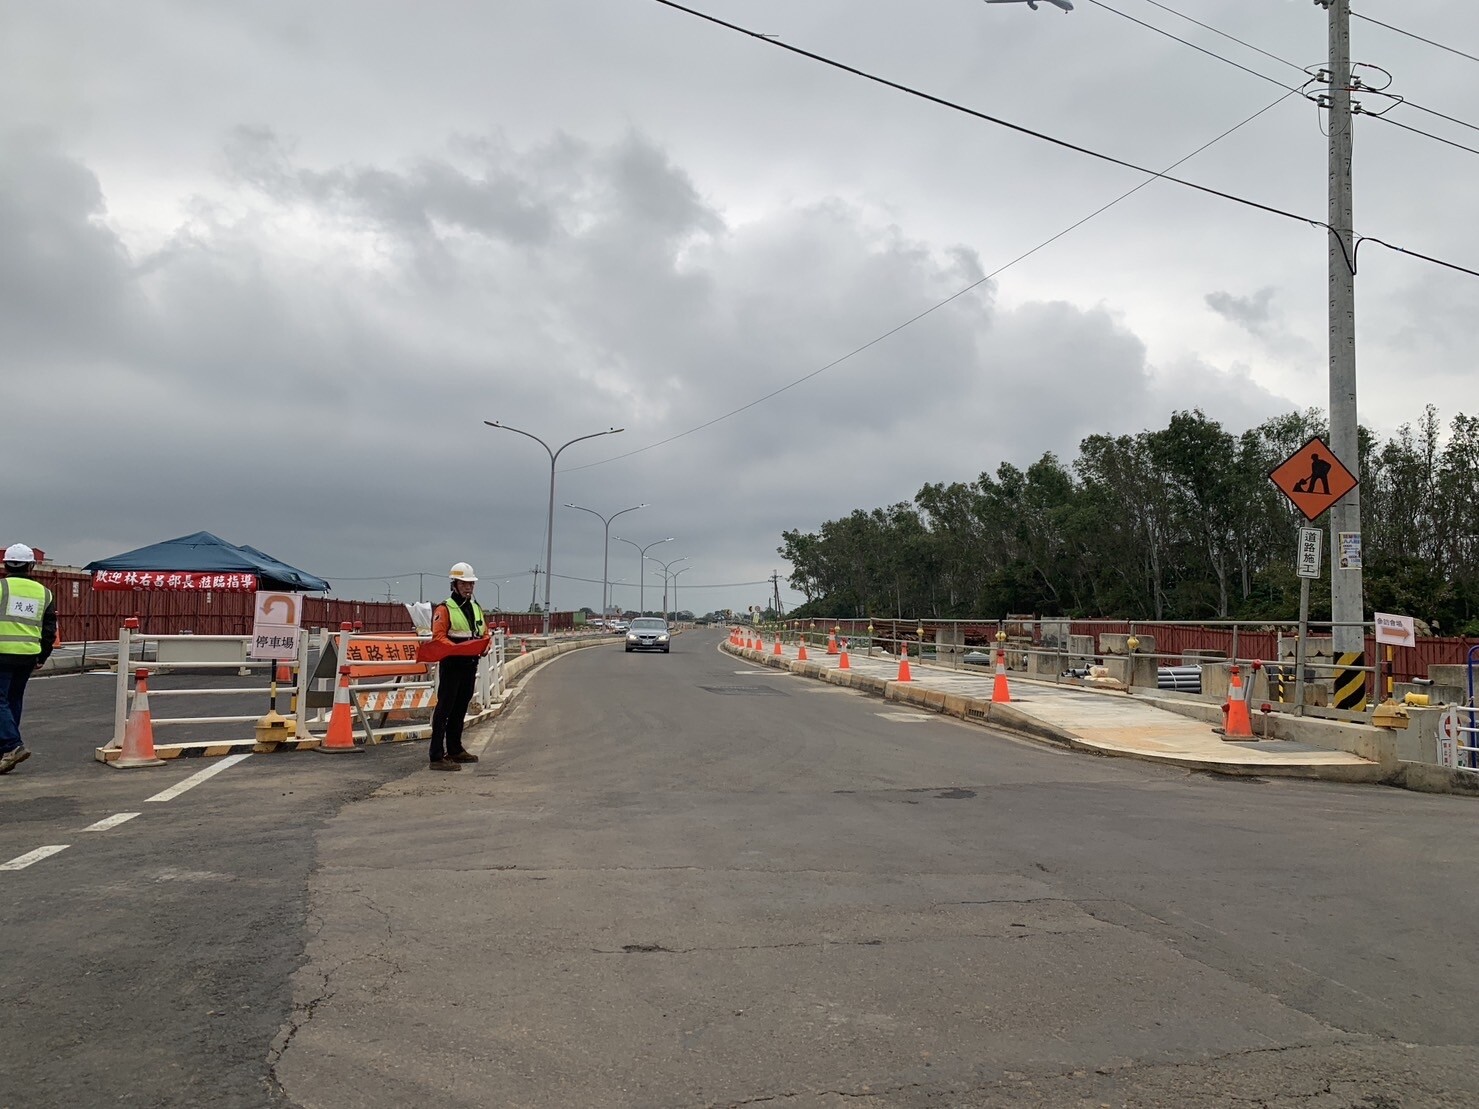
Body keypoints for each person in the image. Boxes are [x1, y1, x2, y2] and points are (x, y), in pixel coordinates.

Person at [427, 561, 490, 771]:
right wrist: (457, 649)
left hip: (470, 664)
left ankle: (455, 749)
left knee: (461, 706)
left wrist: (485, 644)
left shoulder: (475, 607)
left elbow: (484, 631)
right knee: (445, 708)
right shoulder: (445, 609)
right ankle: (436, 755)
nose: (468, 587)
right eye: (464, 583)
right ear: (454, 584)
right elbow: (438, 637)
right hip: (452, 664)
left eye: (471, 584)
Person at [0, 544, 57, 775]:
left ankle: (12, 744)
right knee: (13, 699)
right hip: (27, 655)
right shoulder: (44, 593)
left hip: (2, 653)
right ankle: (5, 751)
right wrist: (42, 656)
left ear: (5, 564)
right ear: (31, 565)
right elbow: (49, 629)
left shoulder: (1, 588)